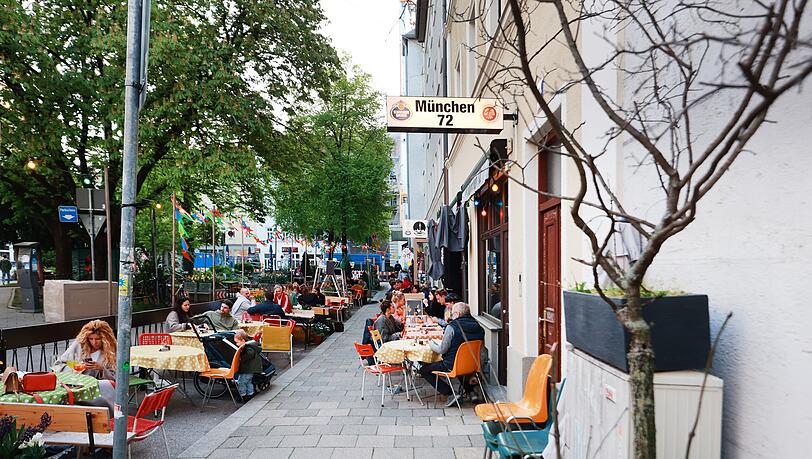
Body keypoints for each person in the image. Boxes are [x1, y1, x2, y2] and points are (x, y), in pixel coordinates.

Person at [418, 302, 485, 407]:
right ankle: (471, 392)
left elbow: (442, 350)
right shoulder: (478, 326)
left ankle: (450, 394)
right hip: (472, 365)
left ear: (457, 314)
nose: (451, 316)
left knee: (423, 370)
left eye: (452, 313)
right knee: (460, 365)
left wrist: (431, 343)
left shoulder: (452, 327)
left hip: (452, 365)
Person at [52, 320, 117, 413]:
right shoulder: (79, 345)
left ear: (105, 339)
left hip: (98, 392)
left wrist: (102, 369)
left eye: (98, 339)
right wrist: (77, 368)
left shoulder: (112, 350)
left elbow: (118, 376)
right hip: (75, 387)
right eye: (91, 339)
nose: (94, 342)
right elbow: (58, 365)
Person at [233, 330, 261, 402]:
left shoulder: (248, 348)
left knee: (241, 382)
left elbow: (249, 355)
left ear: (243, 340)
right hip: (251, 369)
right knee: (248, 382)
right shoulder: (250, 345)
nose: (236, 344)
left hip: (248, 369)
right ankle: (250, 394)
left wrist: (241, 356)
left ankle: (243, 395)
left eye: (237, 342)